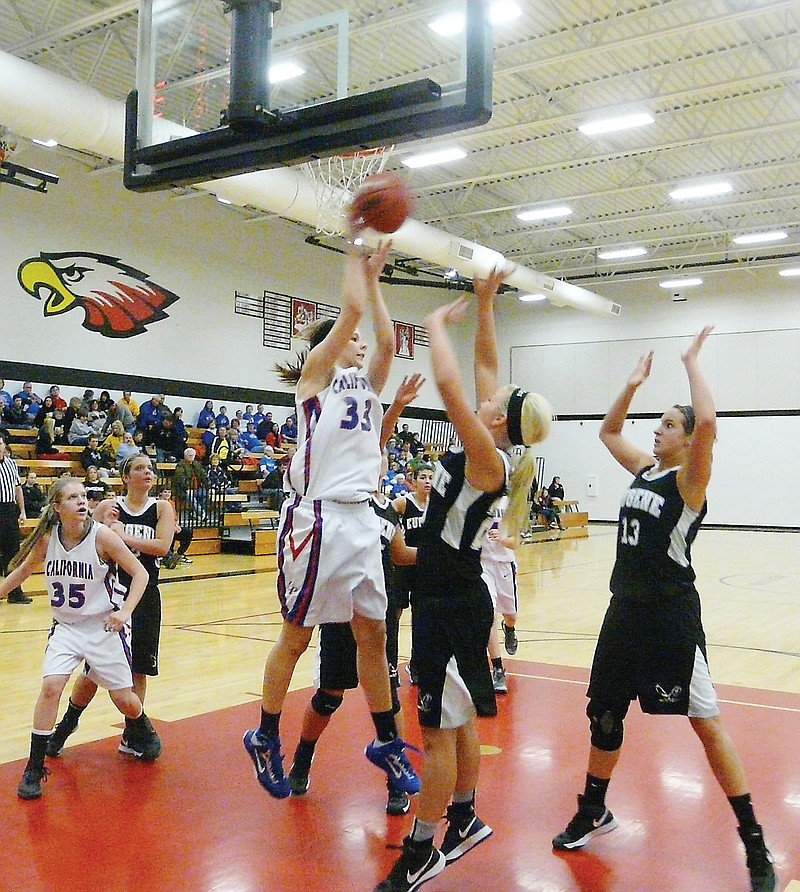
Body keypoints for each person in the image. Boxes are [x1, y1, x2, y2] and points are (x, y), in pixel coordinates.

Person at [551, 328, 777, 892]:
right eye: (657, 425)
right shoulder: (645, 471)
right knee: (604, 715)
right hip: (622, 613)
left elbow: (712, 426)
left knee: (705, 723)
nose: (656, 432)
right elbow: (607, 431)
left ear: (688, 438)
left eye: (668, 426)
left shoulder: (690, 482)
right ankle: (594, 810)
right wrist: (629, 386)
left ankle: (752, 839)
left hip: (669, 618)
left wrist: (690, 362)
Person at [376, 269, 553, 892]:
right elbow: (483, 365)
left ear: (501, 421)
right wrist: (484, 303)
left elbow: (453, 384)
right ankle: (467, 816)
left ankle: (423, 850)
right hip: (449, 589)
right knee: (456, 720)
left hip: (450, 600)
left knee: (437, 728)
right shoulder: (499, 442)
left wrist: (429, 328)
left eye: (498, 399)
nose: (490, 391)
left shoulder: (486, 457)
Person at [242, 234, 422, 803]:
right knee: (296, 638)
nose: (362, 343)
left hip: (362, 521)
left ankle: (386, 741)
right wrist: (353, 251)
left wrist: (376, 278)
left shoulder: (367, 386)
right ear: (332, 346)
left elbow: (389, 339)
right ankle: (266, 734)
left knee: (374, 636)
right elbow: (348, 318)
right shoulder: (316, 379)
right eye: (352, 340)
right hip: (317, 523)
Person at [286, 375, 425, 816]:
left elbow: (402, 555)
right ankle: (303, 756)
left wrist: (445, 554)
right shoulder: (346, 501)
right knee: (329, 696)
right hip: (338, 614)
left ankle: (395, 781)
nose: (376, 459)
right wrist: (397, 406)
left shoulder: (388, 509)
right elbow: (373, 435)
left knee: (385, 692)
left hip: (377, 618)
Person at [0, 477, 151, 800]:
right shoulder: (47, 538)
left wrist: (124, 612)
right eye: (73, 497)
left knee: (125, 700)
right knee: (52, 685)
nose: (82, 501)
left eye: (84, 496)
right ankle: (34, 766)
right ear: (57, 507)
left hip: (103, 627)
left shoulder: (103, 537)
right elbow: (23, 571)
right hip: (66, 628)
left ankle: (142, 724)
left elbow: (141, 573)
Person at [46, 454, 175, 762]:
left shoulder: (161, 508)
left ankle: (132, 734)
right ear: (125, 477)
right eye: (139, 468)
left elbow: (162, 547)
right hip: (110, 597)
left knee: (139, 668)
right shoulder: (107, 507)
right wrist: (106, 525)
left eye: (150, 468)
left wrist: (123, 534)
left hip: (144, 595)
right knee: (92, 671)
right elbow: (83, 532)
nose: (147, 472)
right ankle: (67, 724)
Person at [481, 497, 519, 694]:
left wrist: (502, 539)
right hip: (482, 564)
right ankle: (497, 667)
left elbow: (517, 541)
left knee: (510, 614)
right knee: (489, 615)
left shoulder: (511, 503)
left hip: (505, 564)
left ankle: (510, 628)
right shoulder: (476, 499)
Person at [0, 434, 31, 603]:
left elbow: (18, 488)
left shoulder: (11, 464)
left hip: (9, 509)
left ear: (5, 446)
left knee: (12, 552)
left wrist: (22, 511)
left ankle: (14, 592)